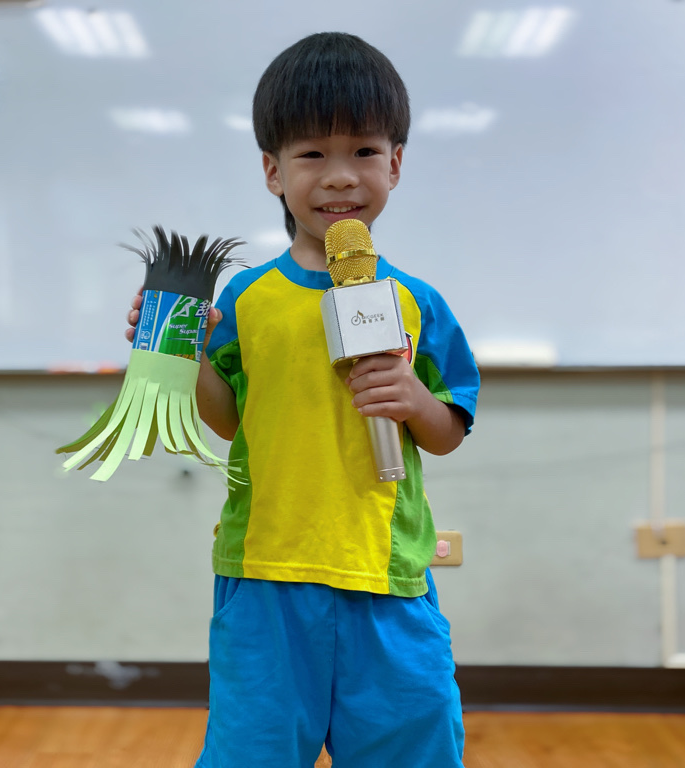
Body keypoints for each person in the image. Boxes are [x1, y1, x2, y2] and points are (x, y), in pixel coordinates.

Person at [127, 32, 480, 768]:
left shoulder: (416, 302)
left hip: (384, 574)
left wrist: (414, 398)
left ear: (396, 163)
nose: (340, 176)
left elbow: (447, 431)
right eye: (313, 154)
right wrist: (182, 354)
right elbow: (230, 420)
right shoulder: (246, 299)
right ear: (273, 170)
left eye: (364, 151)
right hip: (266, 574)